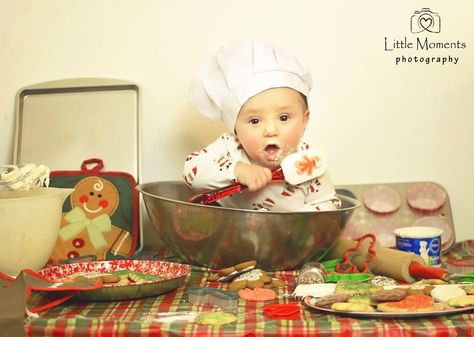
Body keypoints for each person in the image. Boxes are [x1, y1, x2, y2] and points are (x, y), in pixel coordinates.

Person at [183, 39, 340, 211]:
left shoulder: (309, 162)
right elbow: (191, 173)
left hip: (291, 237)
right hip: (231, 234)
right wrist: (236, 171)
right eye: (255, 121)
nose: (271, 130)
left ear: (304, 121)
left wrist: (297, 222)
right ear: (235, 129)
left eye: (284, 118)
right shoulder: (230, 148)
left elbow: (328, 203)